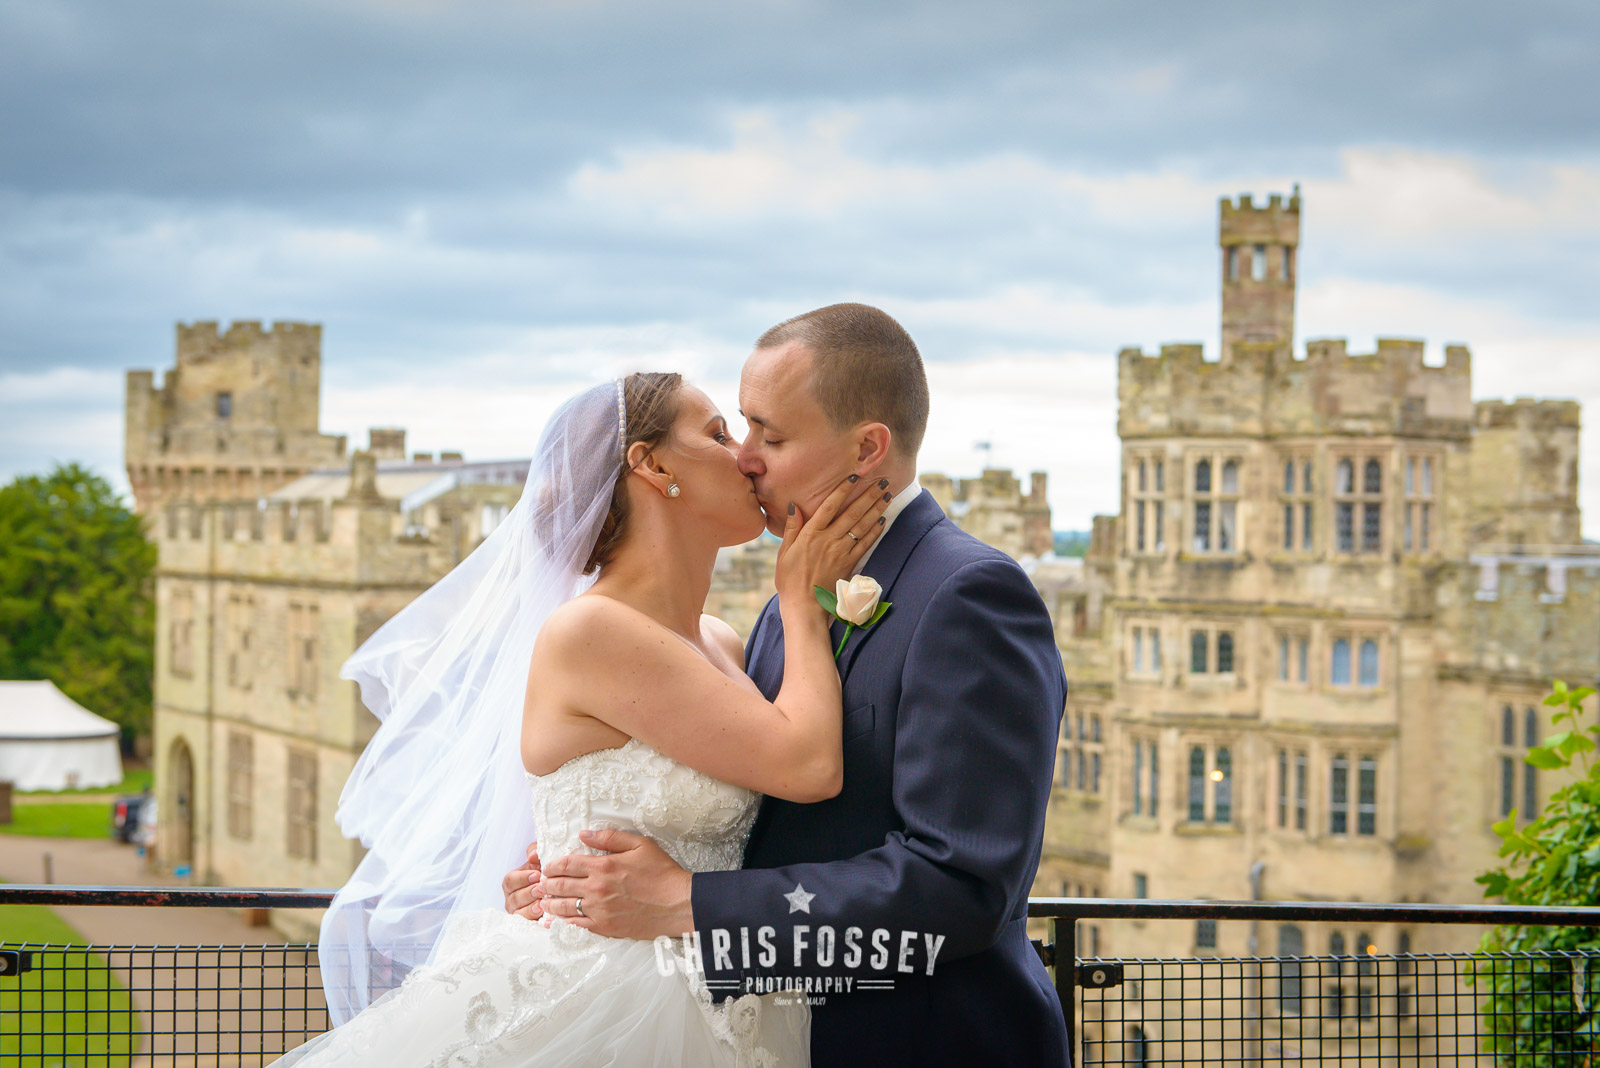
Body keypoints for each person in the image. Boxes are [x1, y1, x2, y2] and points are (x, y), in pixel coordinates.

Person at [270, 372, 890, 1066]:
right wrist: (803, 602)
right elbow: (807, 766)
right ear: (652, 465)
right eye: (718, 433)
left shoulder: (721, 641)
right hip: (609, 1000)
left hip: (722, 990)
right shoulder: (592, 631)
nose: (746, 455)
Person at [507, 305, 1072, 1066]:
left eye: (770, 437)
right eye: (737, 432)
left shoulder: (969, 595)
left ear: (869, 447)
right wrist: (572, 867)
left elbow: (961, 888)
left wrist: (685, 902)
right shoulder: (782, 613)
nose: (747, 460)